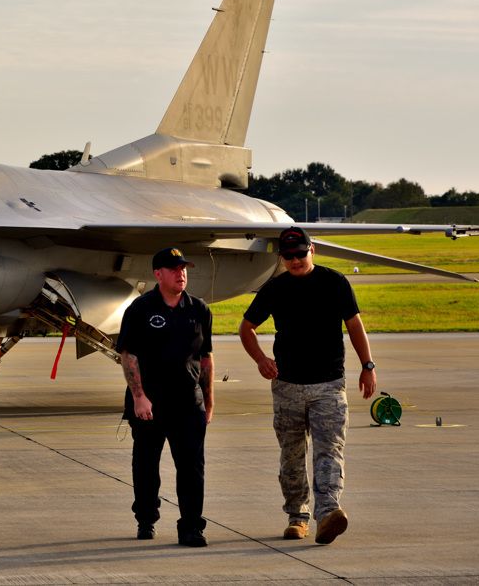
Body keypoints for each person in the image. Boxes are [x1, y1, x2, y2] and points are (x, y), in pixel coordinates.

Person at [238, 226, 377, 545]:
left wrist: (367, 366)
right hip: (287, 385)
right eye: (288, 256)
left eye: (301, 253)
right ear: (282, 258)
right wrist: (260, 359)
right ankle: (297, 516)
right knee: (292, 455)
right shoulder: (275, 288)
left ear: (312, 251)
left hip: (328, 384)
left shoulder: (335, 282)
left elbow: (354, 325)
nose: (295, 260)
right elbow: (247, 328)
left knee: (329, 450)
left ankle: (328, 512)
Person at [117, 247, 214, 547]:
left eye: (183, 268)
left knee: (191, 468)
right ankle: (146, 518)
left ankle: (191, 527)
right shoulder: (141, 309)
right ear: (158, 274)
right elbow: (128, 355)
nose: (180, 273)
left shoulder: (199, 309)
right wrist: (139, 397)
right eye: (173, 269)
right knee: (146, 466)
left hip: (189, 403)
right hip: (151, 403)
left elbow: (206, 358)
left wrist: (209, 401)